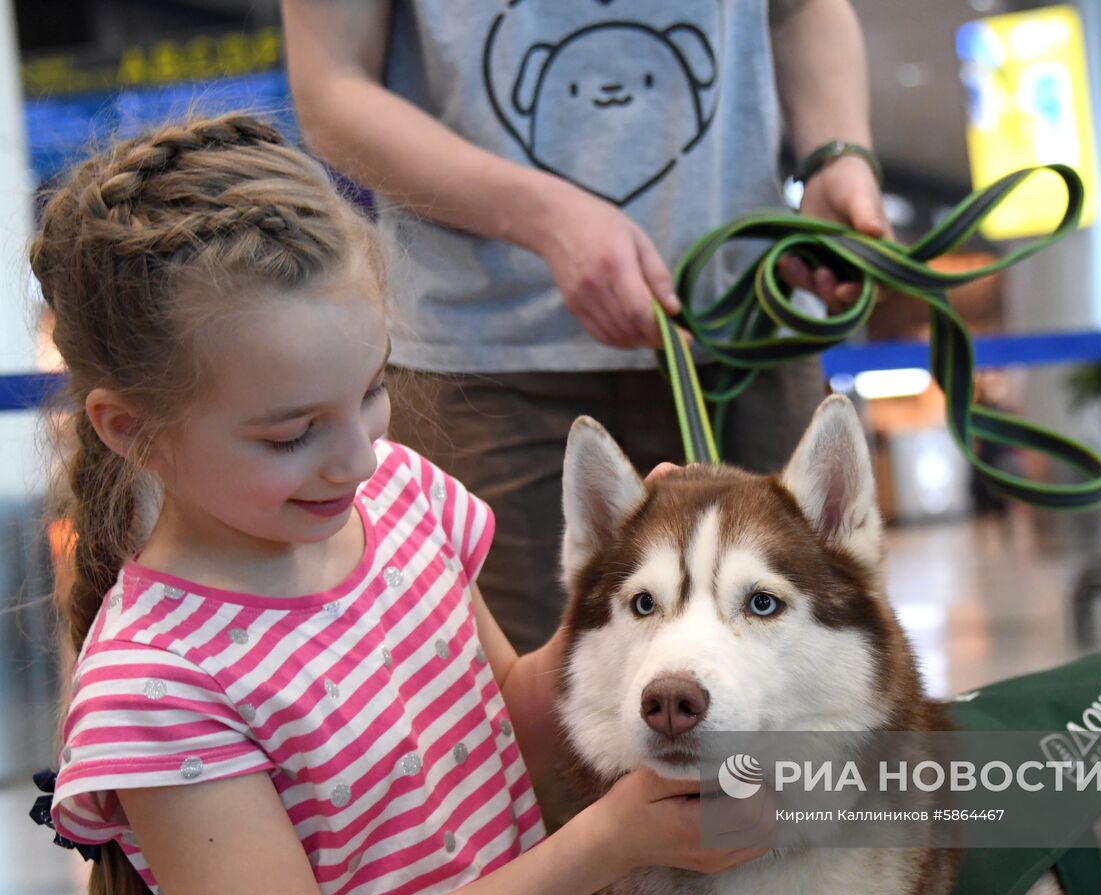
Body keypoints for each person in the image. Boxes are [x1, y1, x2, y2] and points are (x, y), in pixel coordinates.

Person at [34, 114, 770, 895]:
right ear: (131, 428)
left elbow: (507, 717)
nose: (354, 458)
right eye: (290, 435)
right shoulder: (157, 686)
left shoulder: (401, 494)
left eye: (373, 388)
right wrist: (603, 843)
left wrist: (626, 597)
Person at [279, 0, 889, 653]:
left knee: (806, 677)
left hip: (745, 337)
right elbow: (331, 85)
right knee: (546, 713)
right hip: (487, 364)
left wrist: (836, 154)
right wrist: (542, 216)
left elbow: (800, 9)